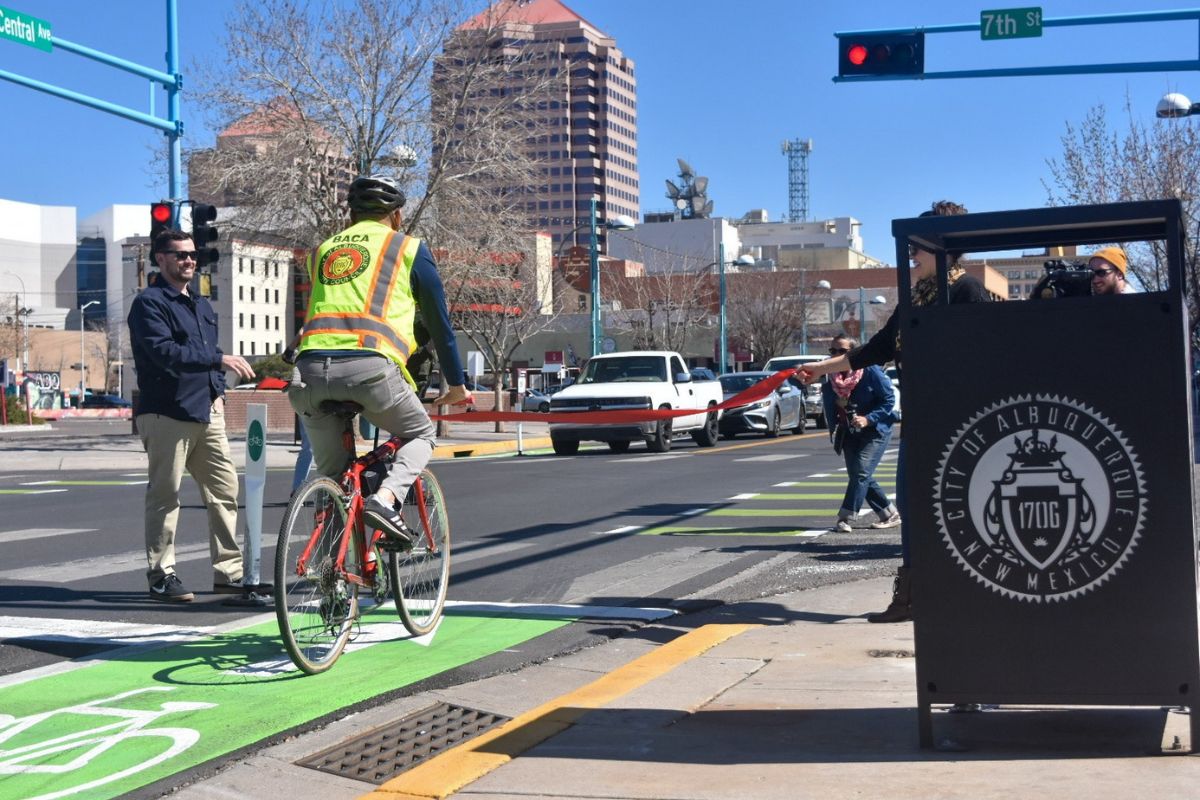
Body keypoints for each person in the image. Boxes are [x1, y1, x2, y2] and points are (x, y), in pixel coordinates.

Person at [800, 200, 990, 623]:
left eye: (918, 245)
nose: (910, 252)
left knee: (957, 511)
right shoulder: (913, 300)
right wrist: (819, 368)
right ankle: (912, 596)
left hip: (959, 425)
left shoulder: (967, 292)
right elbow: (874, 351)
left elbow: (984, 359)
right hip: (921, 424)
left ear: (942, 247)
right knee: (910, 504)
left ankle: (962, 593)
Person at [288, 174, 468, 543]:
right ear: (397, 216)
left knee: (336, 481)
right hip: (370, 369)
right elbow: (440, 324)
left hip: (306, 373)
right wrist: (457, 384)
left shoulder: (322, 251)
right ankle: (386, 500)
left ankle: (331, 584)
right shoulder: (408, 249)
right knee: (420, 432)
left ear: (350, 214)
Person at [127, 229, 256, 602]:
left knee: (225, 491)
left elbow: (206, 353)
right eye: (180, 255)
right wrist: (218, 361)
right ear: (161, 259)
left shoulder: (200, 305)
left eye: (193, 255)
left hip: (206, 412)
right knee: (166, 495)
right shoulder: (149, 303)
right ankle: (161, 575)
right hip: (166, 413)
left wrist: (218, 391)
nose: (189, 261)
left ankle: (228, 574)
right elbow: (164, 353)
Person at [821, 335, 900, 533]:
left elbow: (889, 399)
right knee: (859, 474)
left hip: (876, 429)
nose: (836, 355)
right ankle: (890, 513)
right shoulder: (829, 375)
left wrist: (868, 418)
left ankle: (846, 517)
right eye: (833, 351)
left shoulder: (869, 370)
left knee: (861, 471)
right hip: (848, 431)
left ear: (853, 352)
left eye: (842, 351)